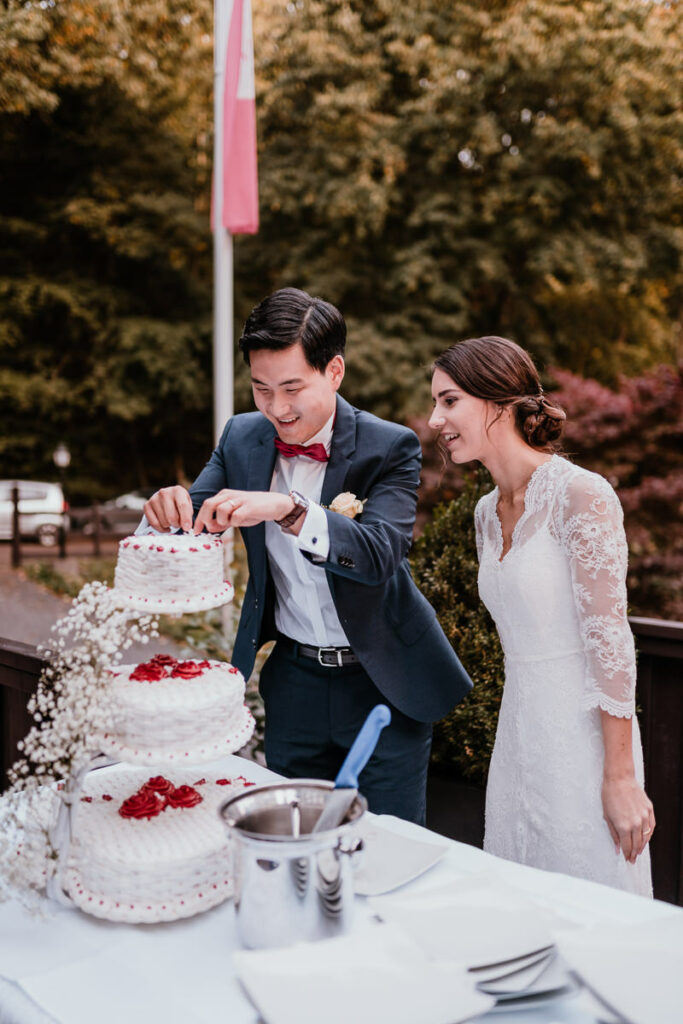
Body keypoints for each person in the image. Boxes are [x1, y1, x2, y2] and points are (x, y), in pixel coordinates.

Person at [143, 287, 472, 824]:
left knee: (384, 848)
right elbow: (189, 521)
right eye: (261, 388)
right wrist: (163, 508)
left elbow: (378, 554)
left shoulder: (389, 447)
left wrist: (288, 508)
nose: (276, 408)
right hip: (292, 683)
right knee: (289, 840)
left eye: (292, 387)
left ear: (335, 371)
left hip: (383, 683)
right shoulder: (242, 437)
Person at [428, 335, 653, 895]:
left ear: (498, 403)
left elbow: (610, 640)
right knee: (518, 896)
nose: (436, 419)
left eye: (449, 401)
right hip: (518, 733)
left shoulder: (582, 495)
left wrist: (620, 777)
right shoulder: (485, 512)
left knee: (592, 901)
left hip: (584, 742)